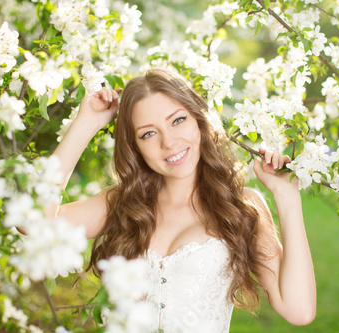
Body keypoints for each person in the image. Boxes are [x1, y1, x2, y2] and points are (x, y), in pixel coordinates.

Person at [47, 68, 316, 332]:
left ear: (198, 119)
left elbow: (299, 310)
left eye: (177, 120)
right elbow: (34, 223)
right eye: (148, 134)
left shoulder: (241, 207)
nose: (169, 142)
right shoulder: (121, 203)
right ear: (134, 146)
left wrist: (286, 196)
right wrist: (86, 123)